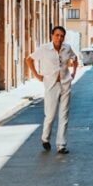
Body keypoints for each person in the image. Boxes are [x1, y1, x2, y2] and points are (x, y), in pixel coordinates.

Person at [26, 25, 78, 155]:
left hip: (65, 84)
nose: (59, 38)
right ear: (52, 36)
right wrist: (37, 75)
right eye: (57, 35)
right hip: (51, 85)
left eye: (61, 36)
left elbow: (75, 59)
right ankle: (45, 138)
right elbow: (29, 60)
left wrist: (73, 73)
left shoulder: (67, 48)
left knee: (64, 115)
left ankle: (61, 145)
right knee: (50, 115)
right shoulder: (44, 49)